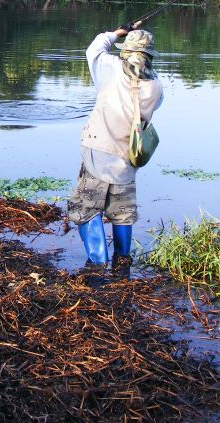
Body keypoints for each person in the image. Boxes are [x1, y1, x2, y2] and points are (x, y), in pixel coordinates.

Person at [68, 25, 164, 269]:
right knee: (122, 211)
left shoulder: (109, 68)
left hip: (97, 152)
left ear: (126, 50)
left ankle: (98, 263)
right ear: (149, 55)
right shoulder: (156, 86)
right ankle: (122, 261)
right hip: (128, 156)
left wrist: (116, 33)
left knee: (86, 208)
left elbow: (94, 48)